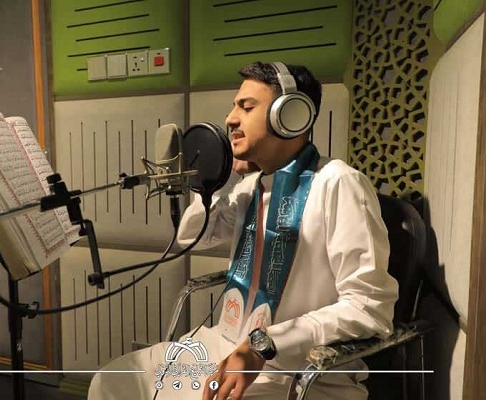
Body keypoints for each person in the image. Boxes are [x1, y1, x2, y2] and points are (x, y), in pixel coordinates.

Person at [87, 61, 398, 400]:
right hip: (226, 345)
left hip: (297, 370)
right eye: (234, 107)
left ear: (291, 115)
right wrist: (222, 177)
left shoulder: (338, 184)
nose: (230, 119)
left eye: (246, 107)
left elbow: (369, 307)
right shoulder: (250, 186)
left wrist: (264, 344)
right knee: (112, 381)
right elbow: (193, 235)